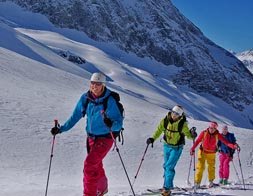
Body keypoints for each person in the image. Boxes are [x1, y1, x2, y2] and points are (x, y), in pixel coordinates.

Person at [50, 72, 123, 196]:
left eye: (98, 84)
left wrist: (111, 124)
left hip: (105, 138)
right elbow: (75, 117)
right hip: (91, 138)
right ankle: (102, 188)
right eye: (92, 83)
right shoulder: (86, 98)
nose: (94, 86)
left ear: (103, 85)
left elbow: (119, 124)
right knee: (96, 164)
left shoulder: (109, 101)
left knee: (89, 165)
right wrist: (61, 129)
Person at [146, 105, 197, 196]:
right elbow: (159, 130)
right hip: (166, 146)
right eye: (173, 112)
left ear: (180, 115)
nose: (174, 115)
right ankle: (166, 185)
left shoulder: (182, 124)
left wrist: (192, 135)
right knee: (166, 166)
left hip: (177, 148)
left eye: (177, 114)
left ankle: (167, 188)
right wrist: (152, 138)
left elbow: (188, 135)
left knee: (169, 166)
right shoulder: (165, 120)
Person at [190, 122, 238, 189]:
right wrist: (192, 149)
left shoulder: (217, 135)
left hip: (211, 153)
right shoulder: (204, 133)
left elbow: (226, 142)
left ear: (215, 129)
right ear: (209, 127)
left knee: (211, 168)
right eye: (210, 128)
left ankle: (211, 181)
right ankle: (197, 183)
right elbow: (198, 141)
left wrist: (233, 146)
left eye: (213, 128)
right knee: (200, 167)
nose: (211, 129)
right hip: (202, 152)